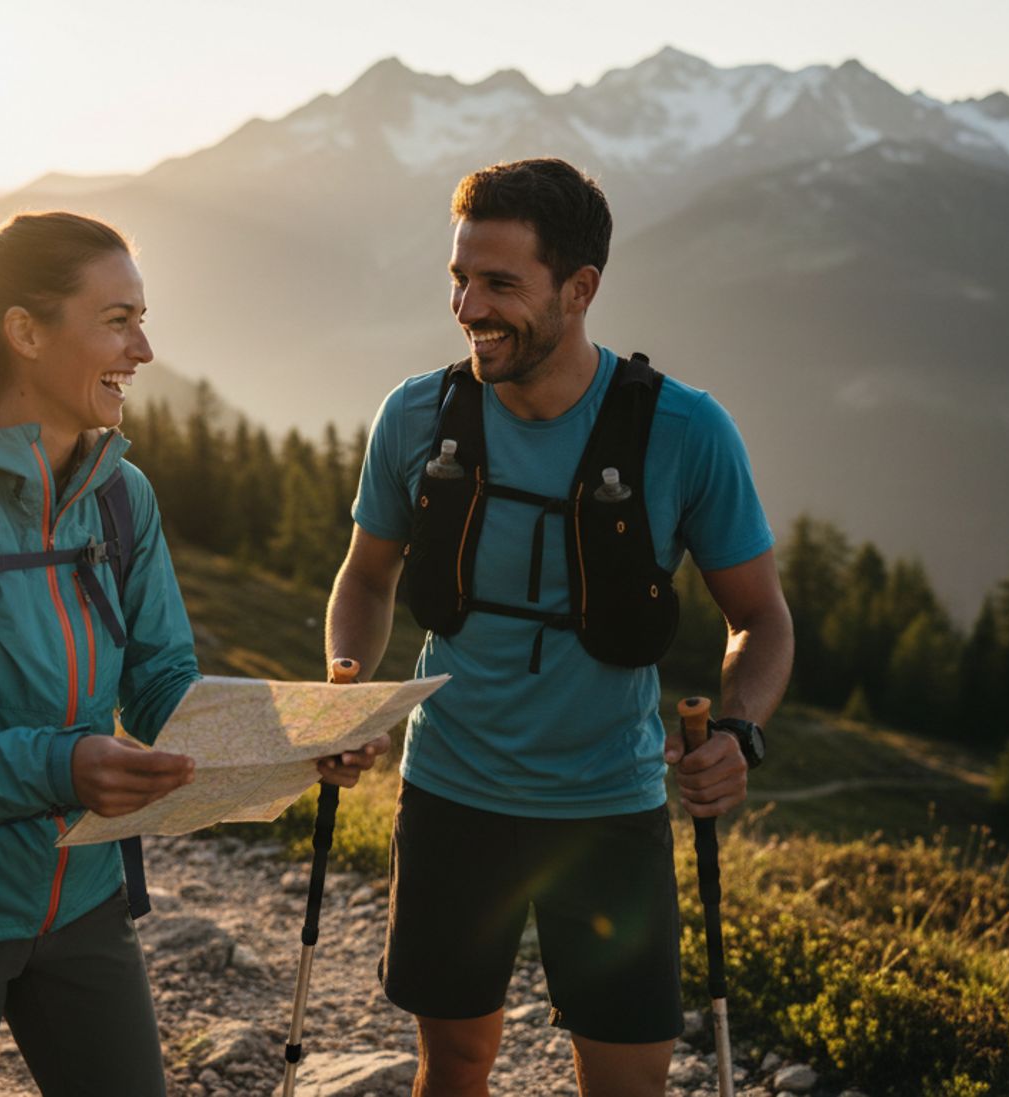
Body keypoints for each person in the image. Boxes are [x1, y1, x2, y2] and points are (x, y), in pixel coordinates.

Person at [0, 210, 386, 1097]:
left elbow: (164, 683)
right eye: (118, 321)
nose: (146, 350)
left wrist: (298, 737)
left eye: (142, 318)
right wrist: (66, 767)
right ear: (24, 332)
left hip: (83, 897)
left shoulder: (120, 496)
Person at [325, 159, 794, 1097]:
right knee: (453, 1063)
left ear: (581, 289)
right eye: (460, 277)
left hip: (609, 808)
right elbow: (365, 579)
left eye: (500, 283)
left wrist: (740, 730)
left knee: (627, 1081)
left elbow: (762, 619)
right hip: (451, 793)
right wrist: (347, 683)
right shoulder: (416, 416)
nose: (468, 306)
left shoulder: (685, 431)